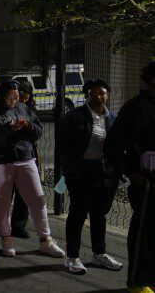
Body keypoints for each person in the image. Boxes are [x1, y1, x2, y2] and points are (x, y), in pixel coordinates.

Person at [0, 80, 65, 258]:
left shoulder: (24, 109)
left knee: (38, 198)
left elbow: (38, 132)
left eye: (16, 97)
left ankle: (45, 240)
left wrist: (27, 125)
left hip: (25, 158)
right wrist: (9, 129)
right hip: (0, 162)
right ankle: (6, 238)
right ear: (0, 96)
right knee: (2, 202)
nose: (13, 101)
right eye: (9, 97)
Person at [60, 79, 122, 275]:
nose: (98, 96)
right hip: (82, 173)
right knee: (77, 215)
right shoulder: (74, 117)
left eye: (102, 93)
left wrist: (116, 171)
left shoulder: (111, 118)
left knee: (99, 216)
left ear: (108, 95)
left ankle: (99, 253)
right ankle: (72, 256)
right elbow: (64, 147)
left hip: (105, 174)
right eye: (94, 93)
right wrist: (71, 173)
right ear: (87, 95)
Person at [104, 62, 155, 291]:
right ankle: (138, 281)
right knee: (144, 231)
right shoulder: (136, 108)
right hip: (146, 180)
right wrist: (130, 171)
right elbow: (113, 145)